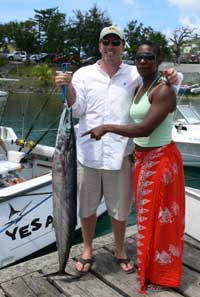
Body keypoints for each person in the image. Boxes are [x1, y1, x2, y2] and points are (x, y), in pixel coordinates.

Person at [55, 26, 182, 275]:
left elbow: (168, 85)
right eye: (106, 42)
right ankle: (88, 249)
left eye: (116, 42)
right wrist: (67, 87)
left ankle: (120, 249)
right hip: (87, 154)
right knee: (87, 208)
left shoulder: (136, 72)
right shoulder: (83, 74)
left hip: (121, 154)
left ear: (123, 46)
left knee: (120, 209)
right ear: (100, 46)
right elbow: (76, 108)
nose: (111, 47)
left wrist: (176, 76)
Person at [82, 40, 185, 293]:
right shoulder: (141, 85)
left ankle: (163, 273)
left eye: (149, 57)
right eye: (139, 57)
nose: (143, 61)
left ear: (159, 60)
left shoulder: (163, 90)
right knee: (147, 219)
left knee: (163, 222)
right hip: (143, 161)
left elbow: (144, 128)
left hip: (161, 161)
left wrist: (106, 127)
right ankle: (150, 266)